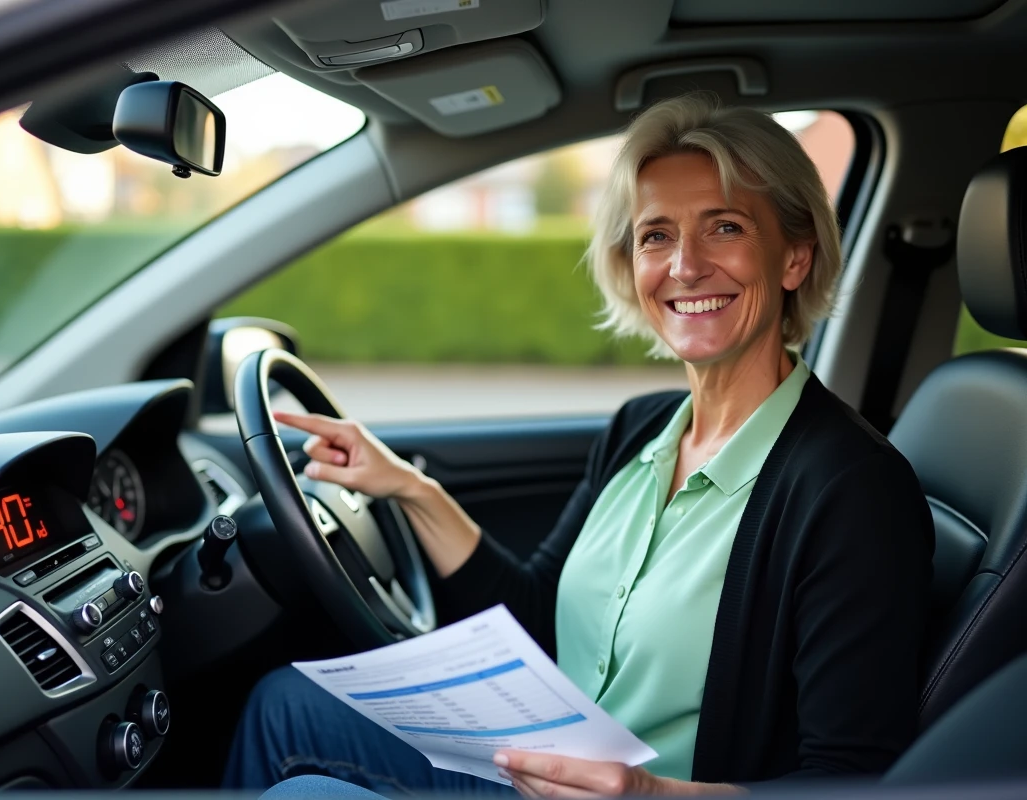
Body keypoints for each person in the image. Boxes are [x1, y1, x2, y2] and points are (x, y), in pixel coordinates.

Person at [223, 92, 935, 797]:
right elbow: (539, 618)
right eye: (656, 235)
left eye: (724, 227)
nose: (685, 266)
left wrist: (647, 795)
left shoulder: (853, 489)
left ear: (794, 259)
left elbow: (853, 779)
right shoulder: (640, 429)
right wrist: (410, 489)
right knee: (283, 704)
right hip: (536, 769)